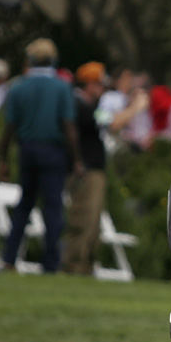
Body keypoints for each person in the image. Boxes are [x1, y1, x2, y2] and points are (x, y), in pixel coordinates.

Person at [0, 38, 81, 274]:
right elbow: (69, 127)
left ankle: (9, 258)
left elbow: (9, 128)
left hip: (27, 150)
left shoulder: (18, 87)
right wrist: (76, 160)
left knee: (24, 205)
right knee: (53, 208)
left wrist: (2, 159)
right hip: (53, 152)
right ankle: (51, 263)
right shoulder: (61, 87)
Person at [62, 62, 108, 276]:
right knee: (83, 219)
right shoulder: (79, 105)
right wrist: (134, 107)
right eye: (99, 84)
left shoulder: (89, 106)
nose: (102, 89)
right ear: (89, 84)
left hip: (94, 171)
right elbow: (111, 124)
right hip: (87, 172)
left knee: (93, 224)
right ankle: (74, 266)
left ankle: (86, 266)